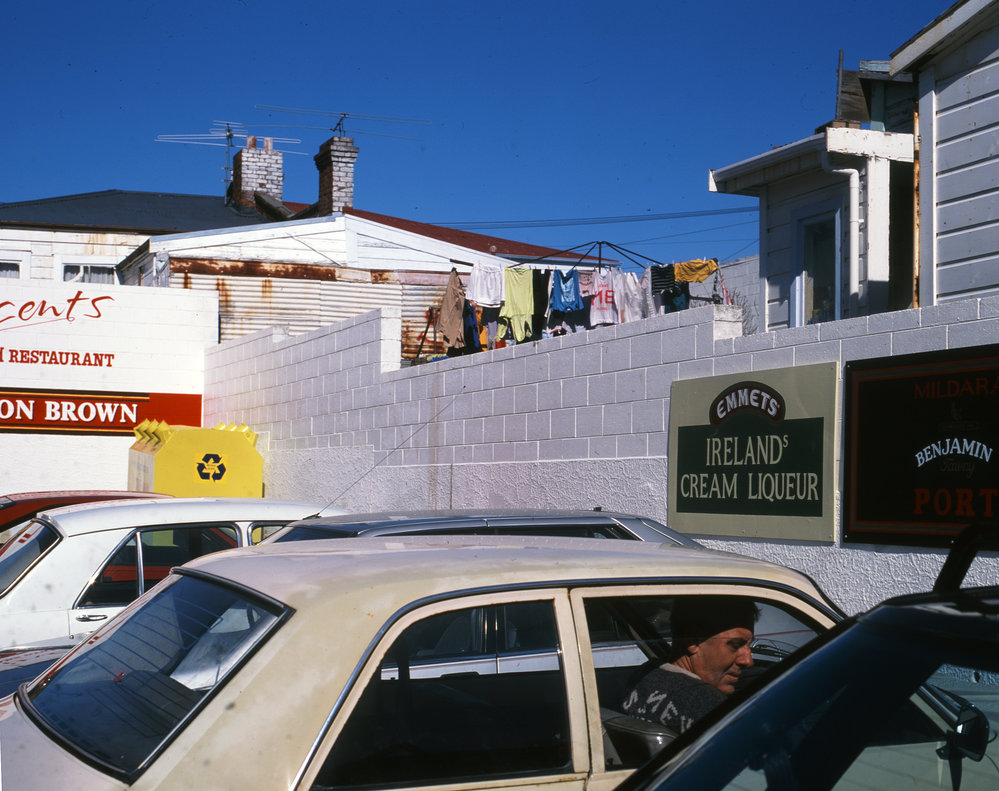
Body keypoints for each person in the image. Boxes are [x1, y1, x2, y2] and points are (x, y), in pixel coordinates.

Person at [621, 596, 759, 734]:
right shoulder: (708, 707)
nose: (748, 661)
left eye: (749, 645)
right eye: (735, 645)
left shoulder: (644, 676)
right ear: (693, 642)